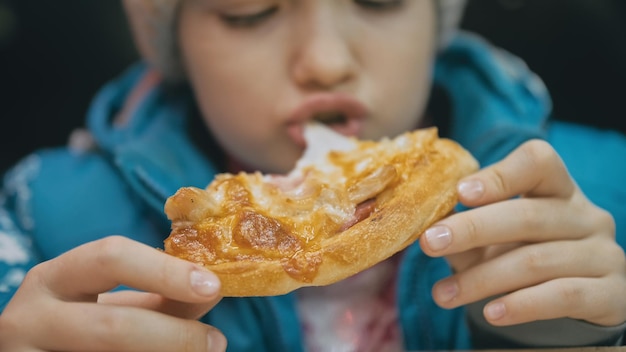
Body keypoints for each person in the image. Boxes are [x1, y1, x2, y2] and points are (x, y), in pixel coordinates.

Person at [1, 0, 625, 351]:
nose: (325, 62)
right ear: (177, 43)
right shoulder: (37, 223)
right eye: (249, 11)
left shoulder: (604, 192)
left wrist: (582, 336)